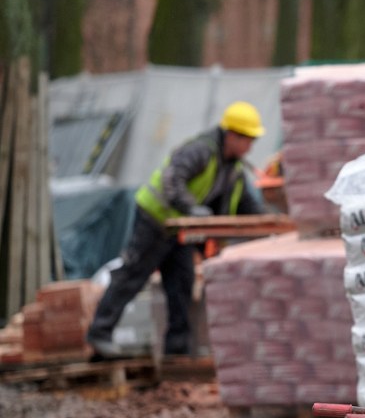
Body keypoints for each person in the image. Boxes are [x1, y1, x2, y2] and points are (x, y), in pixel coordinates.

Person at [87, 101, 266, 359]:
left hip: (180, 230)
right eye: (248, 139)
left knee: (181, 284)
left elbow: (246, 206)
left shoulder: (232, 169)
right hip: (156, 219)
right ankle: (100, 333)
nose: (250, 147)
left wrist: (274, 222)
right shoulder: (200, 150)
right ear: (232, 135)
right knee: (133, 274)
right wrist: (191, 208)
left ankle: (177, 352)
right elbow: (173, 179)